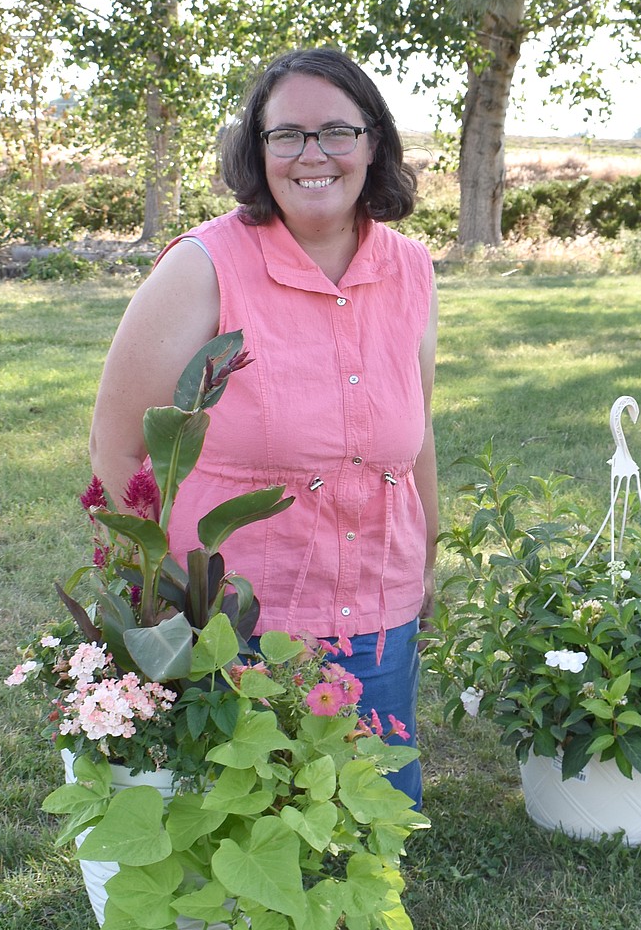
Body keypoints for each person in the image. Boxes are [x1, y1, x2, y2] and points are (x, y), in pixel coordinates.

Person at [88, 47, 438, 807]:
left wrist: (426, 558)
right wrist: (150, 592)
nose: (313, 155)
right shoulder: (205, 266)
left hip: (379, 607)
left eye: (337, 131)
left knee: (366, 823)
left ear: (374, 143)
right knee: (240, 829)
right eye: (288, 135)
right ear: (258, 148)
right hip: (236, 623)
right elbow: (119, 444)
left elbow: (418, 435)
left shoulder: (411, 268)